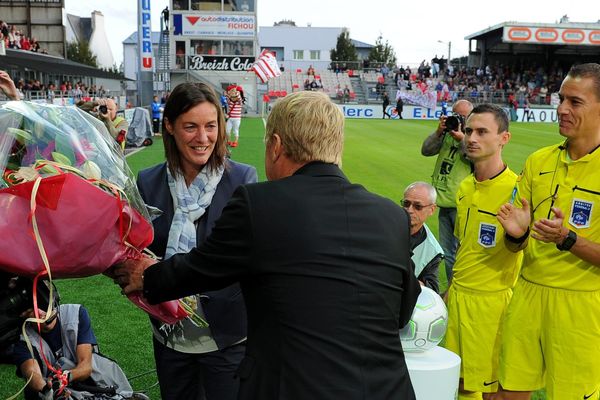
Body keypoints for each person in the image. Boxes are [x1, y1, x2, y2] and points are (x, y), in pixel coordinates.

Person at [113, 91, 421, 400]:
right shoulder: (392, 216)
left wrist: (146, 276)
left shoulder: (259, 202)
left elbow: (203, 267)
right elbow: (403, 312)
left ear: (275, 146)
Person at [135, 82, 257, 400]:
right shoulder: (147, 182)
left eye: (210, 126)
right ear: (170, 126)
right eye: (190, 127)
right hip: (168, 334)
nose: (203, 139)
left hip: (227, 336)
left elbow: (240, 259)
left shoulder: (242, 180)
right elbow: (137, 250)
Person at [495, 63, 600, 400]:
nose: (562, 109)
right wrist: (515, 235)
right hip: (527, 294)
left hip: (580, 306)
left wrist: (567, 239)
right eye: (560, 99)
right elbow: (515, 246)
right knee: (508, 392)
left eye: (575, 102)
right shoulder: (538, 161)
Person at [444, 103, 522, 400]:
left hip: (492, 306)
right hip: (459, 297)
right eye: (468, 131)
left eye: (481, 132)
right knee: (460, 384)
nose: (471, 138)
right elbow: (466, 246)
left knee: (490, 389)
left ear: (504, 138)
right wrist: (450, 290)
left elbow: (522, 248)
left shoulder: (517, 189)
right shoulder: (464, 186)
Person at [11, 284, 140, 400]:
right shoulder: (23, 339)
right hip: (53, 392)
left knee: (96, 363)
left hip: (86, 379)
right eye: (32, 308)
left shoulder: (75, 313)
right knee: (37, 393)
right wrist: (48, 390)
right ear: (24, 314)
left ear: (54, 299)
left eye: (42, 304)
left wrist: (65, 378)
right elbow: (33, 376)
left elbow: (86, 367)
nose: (40, 313)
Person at [421, 99, 473, 286]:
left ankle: (457, 289)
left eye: (462, 116)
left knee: (462, 252)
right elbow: (425, 150)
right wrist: (438, 132)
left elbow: (477, 157)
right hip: (444, 202)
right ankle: (452, 289)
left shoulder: (473, 139)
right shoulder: (446, 135)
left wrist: (463, 139)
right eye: (455, 114)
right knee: (448, 252)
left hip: (461, 204)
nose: (458, 118)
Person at [402, 181, 443, 293]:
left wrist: (410, 282)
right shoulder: (384, 226)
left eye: (417, 206)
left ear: (432, 210)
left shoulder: (432, 250)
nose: (410, 210)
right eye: (406, 203)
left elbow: (432, 288)